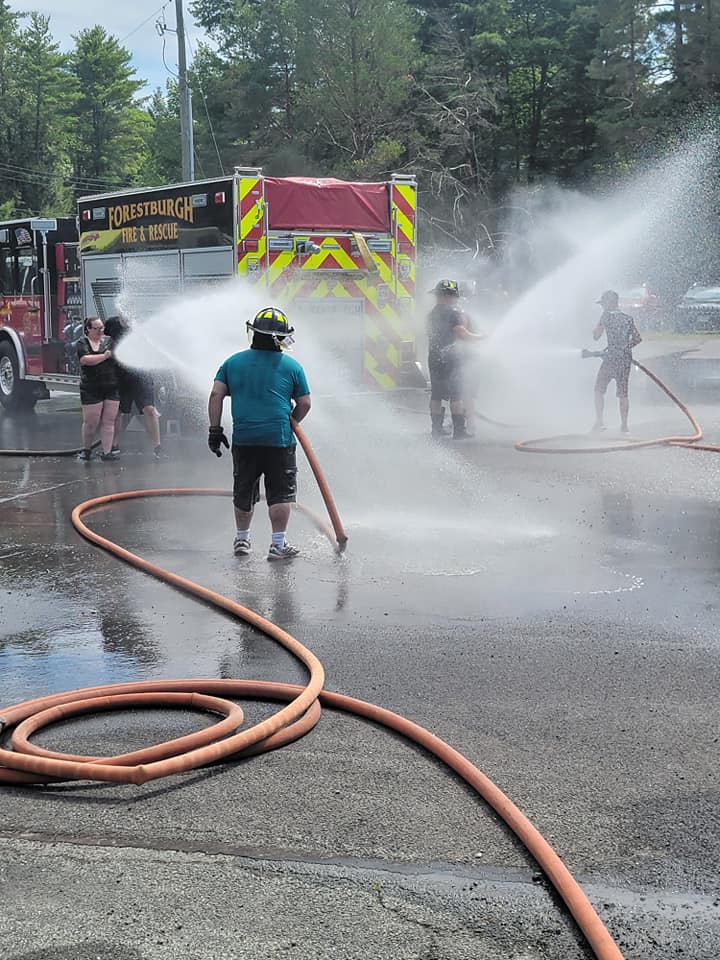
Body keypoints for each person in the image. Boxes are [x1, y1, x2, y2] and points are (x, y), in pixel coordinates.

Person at [207, 306, 311, 560]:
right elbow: (305, 403)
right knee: (280, 493)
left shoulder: (232, 363)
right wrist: (291, 423)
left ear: (253, 333)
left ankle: (242, 540)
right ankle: (278, 544)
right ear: (279, 338)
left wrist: (215, 429)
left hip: (244, 439)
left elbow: (216, 394)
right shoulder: (291, 366)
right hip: (279, 439)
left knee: (244, 490)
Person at [426, 279, 484, 439]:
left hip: (434, 357)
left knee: (436, 395)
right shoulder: (454, 313)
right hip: (451, 357)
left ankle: (436, 429)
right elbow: (461, 333)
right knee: (456, 394)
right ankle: (459, 431)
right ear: (450, 296)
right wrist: (480, 337)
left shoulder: (431, 314)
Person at [104, 313, 164, 460]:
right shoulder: (112, 323)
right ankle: (114, 445)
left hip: (141, 376)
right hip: (120, 377)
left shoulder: (139, 326)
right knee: (117, 412)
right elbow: (104, 336)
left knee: (149, 410)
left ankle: (158, 446)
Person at [591, 289, 642, 434]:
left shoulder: (606, 316)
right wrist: (625, 348)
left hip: (610, 360)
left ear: (609, 303)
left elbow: (596, 336)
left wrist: (594, 330)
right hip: (625, 360)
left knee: (598, 390)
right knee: (623, 393)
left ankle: (600, 422)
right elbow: (638, 339)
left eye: (603, 304)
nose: (602, 306)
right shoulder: (628, 318)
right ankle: (624, 426)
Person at [76, 317, 120, 461]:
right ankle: (86, 449)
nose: (101, 331)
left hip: (111, 386)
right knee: (91, 422)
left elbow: (116, 356)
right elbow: (85, 360)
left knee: (109, 421)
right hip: (91, 387)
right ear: (88, 329)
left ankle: (107, 453)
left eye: (102, 328)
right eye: (97, 328)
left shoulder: (109, 341)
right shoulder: (82, 343)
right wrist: (105, 356)